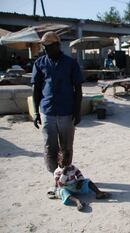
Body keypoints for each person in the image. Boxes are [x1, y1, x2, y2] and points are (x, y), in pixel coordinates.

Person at [31, 32, 84, 196]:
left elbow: (78, 89)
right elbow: (36, 90)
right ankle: (56, 178)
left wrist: (77, 111)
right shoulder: (39, 63)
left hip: (67, 112)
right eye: (43, 47)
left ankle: (67, 176)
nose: (45, 49)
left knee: (66, 148)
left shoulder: (71, 64)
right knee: (49, 147)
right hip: (47, 111)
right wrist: (35, 112)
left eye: (48, 47)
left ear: (57, 45)